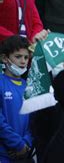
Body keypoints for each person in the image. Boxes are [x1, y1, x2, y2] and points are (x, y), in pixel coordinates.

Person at [0, 35, 32, 163]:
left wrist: (26, 143)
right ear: (4, 58)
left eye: (26, 57)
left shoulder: (30, 86)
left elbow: (34, 120)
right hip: (3, 154)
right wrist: (18, 144)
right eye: (18, 57)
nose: (23, 61)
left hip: (25, 152)